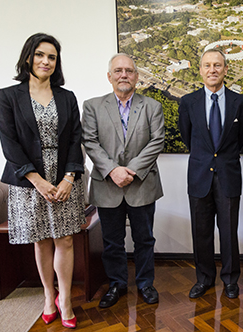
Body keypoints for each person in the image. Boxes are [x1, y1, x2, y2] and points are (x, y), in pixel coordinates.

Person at [0, 33, 85, 329]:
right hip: (28, 179)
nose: (45, 61)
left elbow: (75, 139)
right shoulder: (8, 96)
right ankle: (49, 297)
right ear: (28, 57)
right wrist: (37, 180)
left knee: (66, 239)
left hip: (64, 178)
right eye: (40, 55)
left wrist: (69, 177)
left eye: (52, 57)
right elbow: (9, 143)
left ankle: (66, 299)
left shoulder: (67, 97)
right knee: (42, 240)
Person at [82, 53, 164, 307]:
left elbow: (156, 141)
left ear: (137, 77)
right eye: (118, 71)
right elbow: (90, 142)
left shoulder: (152, 106)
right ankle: (117, 284)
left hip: (142, 184)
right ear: (109, 76)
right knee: (112, 241)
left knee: (144, 239)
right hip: (107, 185)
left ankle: (145, 283)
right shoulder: (93, 106)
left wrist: (130, 170)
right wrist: (113, 170)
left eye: (129, 71)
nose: (124, 75)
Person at [178, 49, 243, 299]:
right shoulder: (188, 102)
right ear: (200, 70)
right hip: (199, 177)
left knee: (229, 232)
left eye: (217, 65)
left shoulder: (241, 103)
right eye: (207, 65)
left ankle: (230, 279)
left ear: (225, 69)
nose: (212, 70)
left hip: (229, 176)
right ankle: (204, 279)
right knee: (201, 231)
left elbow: (240, 139)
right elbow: (188, 137)